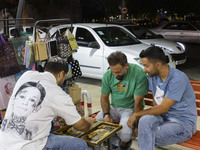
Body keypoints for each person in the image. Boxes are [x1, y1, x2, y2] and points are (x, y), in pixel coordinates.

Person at [0, 56, 95, 150]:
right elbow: (81, 126)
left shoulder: (26, 75)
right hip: (28, 146)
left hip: (4, 143)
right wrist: (88, 123)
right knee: (80, 145)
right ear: (61, 74)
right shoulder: (58, 94)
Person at [127, 46, 197, 150]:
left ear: (158, 64)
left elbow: (164, 108)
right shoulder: (153, 76)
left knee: (145, 135)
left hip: (182, 123)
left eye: (146, 66)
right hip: (163, 118)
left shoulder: (178, 79)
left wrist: (136, 114)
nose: (144, 70)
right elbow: (156, 101)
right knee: (144, 121)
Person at [95, 51, 148, 150]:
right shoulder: (108, 74)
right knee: (96, 124)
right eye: (113, 71)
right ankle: (114, 140)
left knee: (125, 135)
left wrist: (136, 125)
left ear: (126, 66)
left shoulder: (139, 74)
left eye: (118, 72)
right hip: (114, 107)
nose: (115, 75)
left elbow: (138, 102)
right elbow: (104, 97)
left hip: (130, 109)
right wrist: (106, 114)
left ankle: (124, 144)